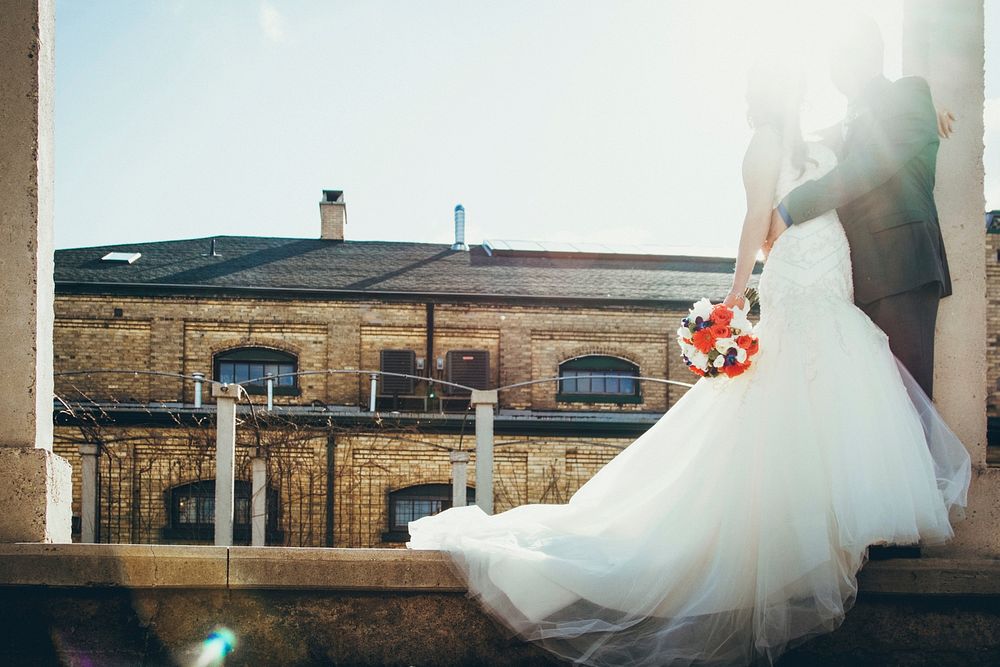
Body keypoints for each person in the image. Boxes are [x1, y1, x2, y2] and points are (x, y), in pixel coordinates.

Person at [407, 41, 971, 667]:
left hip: (830, 274)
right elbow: (760, 219)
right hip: (804, 273)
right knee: (798, 392)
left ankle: (827, 534)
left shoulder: (810, 141)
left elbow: (813, 180)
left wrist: (931, 110)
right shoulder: (781, 145)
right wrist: (734, 305)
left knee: (830, 384)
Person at [766, 14, 950, 399]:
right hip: (854, 279)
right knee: (873, 408)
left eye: (844, 55)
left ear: (872, 54)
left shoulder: (911, 94)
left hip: (903, 270)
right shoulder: (845, 123)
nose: (835, 68)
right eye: (832, 59)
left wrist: (789, 208)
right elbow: (815, 149)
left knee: (909, 400)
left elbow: (867, 167)